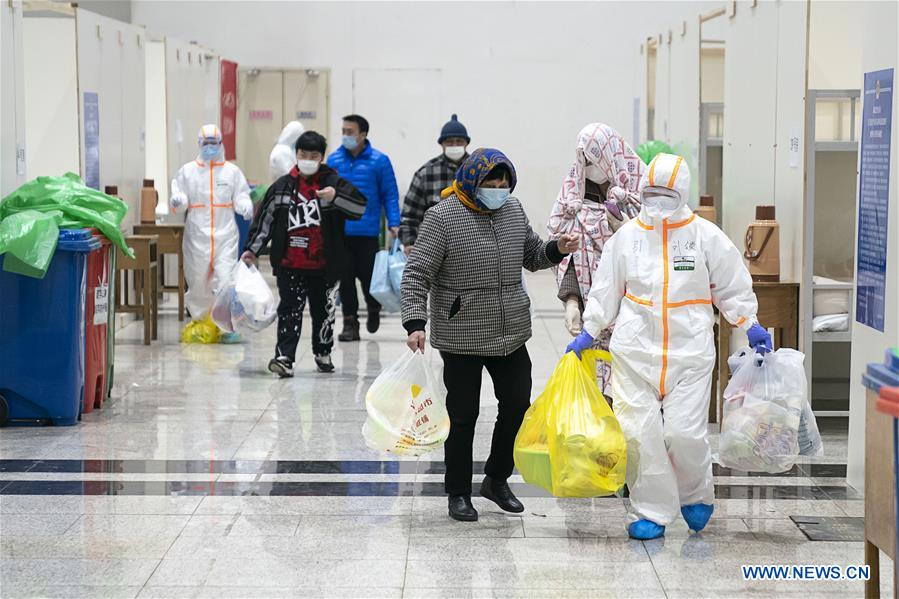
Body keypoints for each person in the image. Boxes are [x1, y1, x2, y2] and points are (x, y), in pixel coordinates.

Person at [566, 153, 772, 540]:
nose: (658, 202)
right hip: (634, 353)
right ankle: (651, 510)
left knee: (683, 433)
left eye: (666, 194)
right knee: (639, 433)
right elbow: (607, 288)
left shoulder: (704, 236)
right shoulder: (627, 237)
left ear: (681, 194)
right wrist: (589, 330)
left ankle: (696, 496)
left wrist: (749, 322)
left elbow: (730, 282)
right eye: (651, 194)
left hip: (689, 353)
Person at [402, 148, 580, 522]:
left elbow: (531, 255)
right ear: (472, 180)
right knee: (463, 414)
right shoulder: (443, 218)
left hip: (510, 331)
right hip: (462, 333)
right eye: (490, 182)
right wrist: (415, 322)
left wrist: (555, 249)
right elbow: (417, 273)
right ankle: (458, 492)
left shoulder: (512, 211)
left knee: (517, 405)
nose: (499, 189)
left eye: (504, 183)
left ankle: (496, 479)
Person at [242, 131, 367, 376]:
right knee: (289, 311)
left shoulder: (333, 182)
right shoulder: (282, 187)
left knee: (325, 312)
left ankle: (323, 352)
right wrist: (252, 250)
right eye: (303, 154)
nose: (307, 159)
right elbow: (265, 220)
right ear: (296, 155)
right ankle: (285, 356)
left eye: (314, 155)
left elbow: (359, 208)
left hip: (326, 265)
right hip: (290, 263)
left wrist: (336, 197)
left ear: (321, 157)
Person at [547, 123, 645, 397]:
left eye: (595, 159)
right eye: (585, 160)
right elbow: (564, 243)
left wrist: (625, 229)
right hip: (592, 306)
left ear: (610, 155)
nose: (590, 166)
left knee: (631, 386)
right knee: (597, 386)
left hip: (634, 308)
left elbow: (656, 245)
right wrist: (571, 301)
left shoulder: (639, 188)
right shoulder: (573, 194)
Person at [163, 124, 253, 342]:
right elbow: (179, 196)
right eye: (206, 144)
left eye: (214, 143)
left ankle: (226, 325)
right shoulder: (187, 171)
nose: (210, 148)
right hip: (197, 234)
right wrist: (178, 201)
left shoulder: (232, 172)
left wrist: (244, 204)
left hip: (225, 234)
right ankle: (201, 323)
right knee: (198, 280)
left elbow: (241, 194)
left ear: (221, 144)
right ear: (199, 144)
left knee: (225, 279)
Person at [326, 114, 400, 342]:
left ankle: (373, 307)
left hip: (368, 232)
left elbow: (389, 194)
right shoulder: (334, 160)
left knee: (370, 279)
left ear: (363, 134)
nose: (345, 135)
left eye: (350, 131)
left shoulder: (379, 161)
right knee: (345, 279)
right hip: (341, 232)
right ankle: (350, 323)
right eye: (343, 131)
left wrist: (395, 223)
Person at [399, 114, 470, 256]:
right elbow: (409, 215)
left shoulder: (478, 171)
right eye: (449, 142)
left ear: (466, 143)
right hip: (434, 249)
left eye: (459, 141)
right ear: (442, 144)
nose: (454, 145)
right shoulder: (426, 173)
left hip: (470, 247)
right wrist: (409, 242)